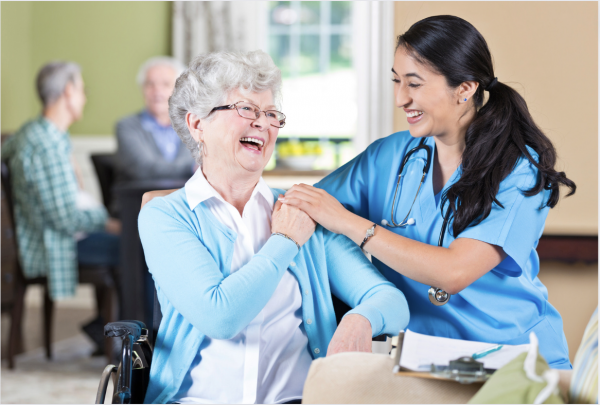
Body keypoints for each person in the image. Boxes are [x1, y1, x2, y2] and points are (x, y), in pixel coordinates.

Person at [280, 15, 576, 370]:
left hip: (510, 362)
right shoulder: (387, 157)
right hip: (419, 363)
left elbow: (454, 272)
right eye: (396, 81)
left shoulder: (517, 170)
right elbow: (304, 210)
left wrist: (349, 223)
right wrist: (366, 302)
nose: (400, 98)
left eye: (414, 84)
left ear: (465, 89)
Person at [138, 50, 409, 404]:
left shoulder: (304, 210)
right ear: (197, 124)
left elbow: (392, 302)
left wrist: (362, 319)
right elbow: (220, 317)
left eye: (270, 114)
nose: (263, 124)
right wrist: (284, 240)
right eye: (246, 109)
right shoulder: (166, 216)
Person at [1, 61, 121, 354]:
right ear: (68, 92)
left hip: (57, 234)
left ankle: (107, 327)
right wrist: (107, 221)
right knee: (133, 247)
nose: (84, 96)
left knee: (131, 243)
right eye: (82, 89)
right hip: (54, 242)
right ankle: (121, 334)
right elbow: (64, 217)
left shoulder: (38, 133)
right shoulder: (46, 142)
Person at [115, 56, 195, 183]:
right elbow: (144, 168)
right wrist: (192, 168)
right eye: (150, 84)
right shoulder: (127, 126)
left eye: (166, 84)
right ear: (142, 90)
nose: (157, 91)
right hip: (141, 200)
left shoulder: (193, 125)